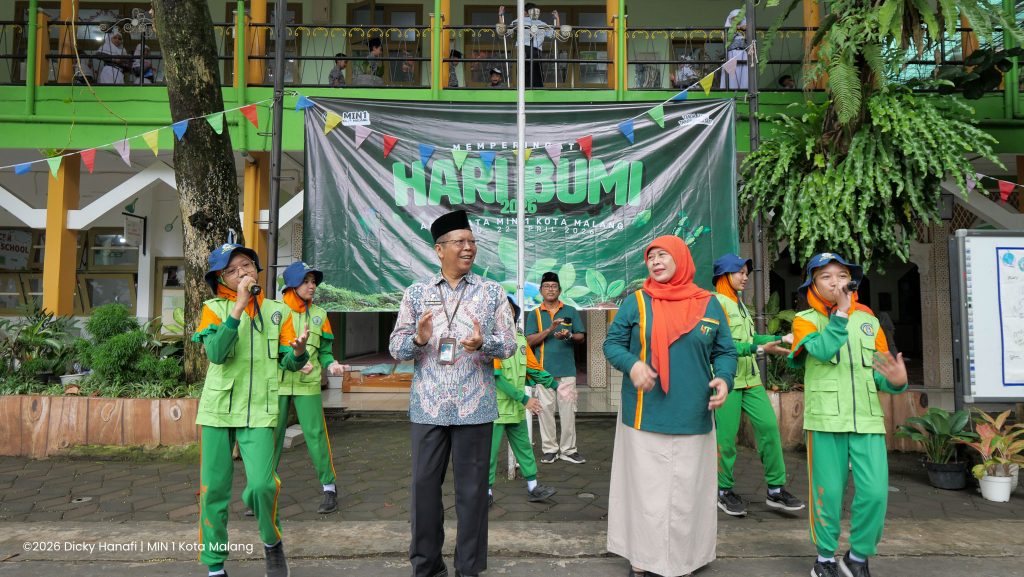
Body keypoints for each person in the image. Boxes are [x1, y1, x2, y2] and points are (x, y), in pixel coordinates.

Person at [389, 209, 517, 577]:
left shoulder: (492, 292)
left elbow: (509, 344)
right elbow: (396, 346)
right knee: (423, 489)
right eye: (460, 242)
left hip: (475, 407)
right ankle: (428, 566)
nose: (468, 248)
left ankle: (469, 569)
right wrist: (418, 339)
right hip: (428, 408)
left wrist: (484, 343)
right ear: (439, 249)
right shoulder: (417, 293)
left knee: (473, 493)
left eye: (472, 242)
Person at [604, 235, 736, 577]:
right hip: (644, 412)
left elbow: (725, 351)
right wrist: (633, 365)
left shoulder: (709, 304)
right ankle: (643, 558)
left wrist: (724, 378)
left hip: (694, 411)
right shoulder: (637, 302)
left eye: (663, 255)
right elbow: (612, 344)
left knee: (686, 493)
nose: (656, 262)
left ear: (681, 259)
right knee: (646, 493)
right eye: (651, 257)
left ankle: (684, 560)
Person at [192, 243, 310, 577]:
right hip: (218, 410)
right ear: (221, 279)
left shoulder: (277, 311)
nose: (242, 272)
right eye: (232, 270)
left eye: (246, 265)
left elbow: (289, 362)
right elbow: (216, 353)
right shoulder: (213, 309)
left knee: (262, 486)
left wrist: (298, 353)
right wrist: (238, 309)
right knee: (214, 490)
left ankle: (272, 542)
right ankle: (215, 565)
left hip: (260, 409)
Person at [789, 253, 908, 577]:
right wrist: (841, 314)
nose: (836, 282)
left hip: (867, 420)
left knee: (875, 493)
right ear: (813, 284)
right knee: (827, 494)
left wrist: (897, 382)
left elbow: (881, 373)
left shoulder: (868, 320)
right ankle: (825, 558)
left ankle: (856, 557)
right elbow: (823, 349)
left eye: (842, 276)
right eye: (826, 277)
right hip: (825, 420)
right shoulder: (804, 321)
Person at [711, 253, 805, 517]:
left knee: (769, 428)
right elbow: (720, 345)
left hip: (751, 380)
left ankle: (776, 490)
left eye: (746, 273)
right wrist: (757, 348)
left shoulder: (739, 304)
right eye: (739, 272)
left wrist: (779, 339)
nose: (745, 277)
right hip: (726, 380)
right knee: (726, 439)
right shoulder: (715, 303)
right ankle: (723, 491)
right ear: (724, 275)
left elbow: (751, 339)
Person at [269, 261, 348, 515]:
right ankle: (263, 490)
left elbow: (324, 351)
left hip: (308, 385)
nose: (312, 286)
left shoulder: (320, 315)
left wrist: (331, 363)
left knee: (316, 435)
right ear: (292, 284)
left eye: (314, 281)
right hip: (278, 384)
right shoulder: (274, 312)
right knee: (271, 438)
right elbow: (266, 351)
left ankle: (329, 488)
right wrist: (291, 361)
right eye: (306, 281)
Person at [488, 297, 559, 507]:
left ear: (515, 314)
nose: (506, 313)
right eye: (502, 309)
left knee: (524, 448)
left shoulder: (520, 340)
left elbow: (533, 368)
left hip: (516, 408)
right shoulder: (492, 341)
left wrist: (555, 385)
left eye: (510, 309)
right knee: (489, 454)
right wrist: (525, 399)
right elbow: (497, 378)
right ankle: (486, 492)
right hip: (495, 410)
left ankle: (533, 488)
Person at [526, 271, 586, 465]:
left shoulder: (570, 310)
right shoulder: (535, 313)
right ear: (541, 291)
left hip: (567, 371)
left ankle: (569, 450)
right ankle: (550, 449)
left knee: (568, 412)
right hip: (543, 373)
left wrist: (569, 336)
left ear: (559, 290)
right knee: (545, 412)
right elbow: (529, 341)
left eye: (554, 286)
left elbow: (581, 336)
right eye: (546, 286)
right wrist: (550, 329)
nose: (550, 289)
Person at [503, 3, 558, 88]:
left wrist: (501, 15)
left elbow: (504, 31)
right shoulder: (542, 24)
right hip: (536, 51)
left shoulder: (518, 22)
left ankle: (524, 90)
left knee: (523, 75)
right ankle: (538, 90)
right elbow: (555, 33)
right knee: (537, 75)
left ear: (525, 12)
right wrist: (557, 18)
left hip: (523, 50)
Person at [720, 8, 748, 90]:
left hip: (743, 54)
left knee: (744, 74)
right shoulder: (727, 30)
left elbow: (750, 41)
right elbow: (727, 40)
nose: (736, 20)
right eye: (734, 18)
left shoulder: (745, 29)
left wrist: (745, 29)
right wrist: (735, 28)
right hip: (731, 54)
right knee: (731, 76)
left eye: (738, 18)